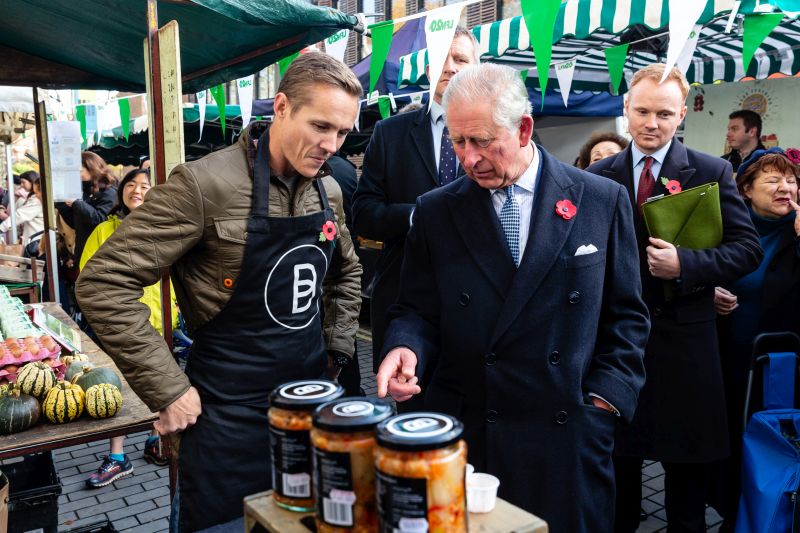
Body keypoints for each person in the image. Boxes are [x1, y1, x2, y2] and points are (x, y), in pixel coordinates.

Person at [76, 52, 363, 531]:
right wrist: (168, 389)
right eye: (321, 126)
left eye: (342, 133)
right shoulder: (203, 185)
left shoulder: (327, 191)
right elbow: (104, 283)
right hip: (226, 416)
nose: (330, 144)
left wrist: (336, 346)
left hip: (310, 407)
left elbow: (346, 272)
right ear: (282, 107)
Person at [376, 63, 649, 533]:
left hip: (566, 437)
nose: (468, 157)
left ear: (524, 129)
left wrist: (604, 402)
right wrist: (405, 347)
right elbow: (416, 309)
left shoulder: (600, 199)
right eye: (458, 142)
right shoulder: (436, 210)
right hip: (475, 432)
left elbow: (628, 317)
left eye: (482, 141)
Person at [586, 63, 763, 533]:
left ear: (681, 114)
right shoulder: (597, 175)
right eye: (641, 110)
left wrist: (687, 265)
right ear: (625, 108)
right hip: (616, 346)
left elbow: (748, 250)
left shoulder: (712, 170)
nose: (651, 123)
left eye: (664, 113)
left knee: (687, 487)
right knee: (617, 474)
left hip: (686, 348)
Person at [353, 26, 480, 390]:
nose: (451, 68)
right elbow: (363, 212)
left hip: (475, 297)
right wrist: (416, 215)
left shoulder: (495, 133)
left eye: (461, 59)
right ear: (427, 67)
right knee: (410, 410)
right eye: (443, 58)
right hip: (404, 296)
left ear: (476, 67)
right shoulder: (389, 133)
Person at [711, 147, 800, 529]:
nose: (786, 188)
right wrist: (708, 293)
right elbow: (699, 272)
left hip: (782, 371)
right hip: (728, 362)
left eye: (792, 180)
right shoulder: (726, 231)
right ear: (745, 189)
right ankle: (736, 512)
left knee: (776, 448)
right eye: (773, 180)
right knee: (730, 446)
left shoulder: (797, 231)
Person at [80, 168, 177, 488]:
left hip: (160, 318)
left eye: (145, 186)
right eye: (131, 185)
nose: (137, 190)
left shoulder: (166, 228)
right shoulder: (104, 230)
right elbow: (88, 276)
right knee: (115, 389)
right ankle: (117, 455)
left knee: (161, 381)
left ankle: (155, 438)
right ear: (121, 190)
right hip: (120, 324)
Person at [57, 151, 118, 265]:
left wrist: (77, 203)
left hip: (102, 254)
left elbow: (99, 220)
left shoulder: (109, 192)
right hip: (84, 251)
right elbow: (75, 222)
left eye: (79, 171)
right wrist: (62, 202)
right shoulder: (86, 191)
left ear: (92, 169)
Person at [0, 172, 43, 246]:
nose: (21, 185)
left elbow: (20, 215)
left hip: (35, 240)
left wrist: (2, 227)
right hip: (33, 238)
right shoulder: (31, 197)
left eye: (23, 182)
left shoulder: (36, 200)